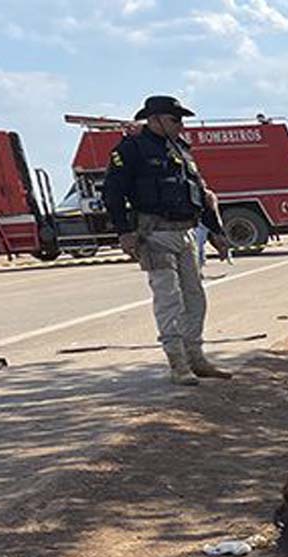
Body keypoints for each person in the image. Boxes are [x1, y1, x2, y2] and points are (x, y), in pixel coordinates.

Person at [103, 95, 233, 386]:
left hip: (186, 233)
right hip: (154, 234)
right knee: (169, 298)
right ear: (154, 119)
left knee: (195, 297)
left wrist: (216, 232)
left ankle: (196, 357)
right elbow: (113, 193)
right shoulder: (131, 148)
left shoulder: (181, 149)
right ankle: (178, 363)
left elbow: (200, 193)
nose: (180, 125)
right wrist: (124, 232)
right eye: (175, 120)